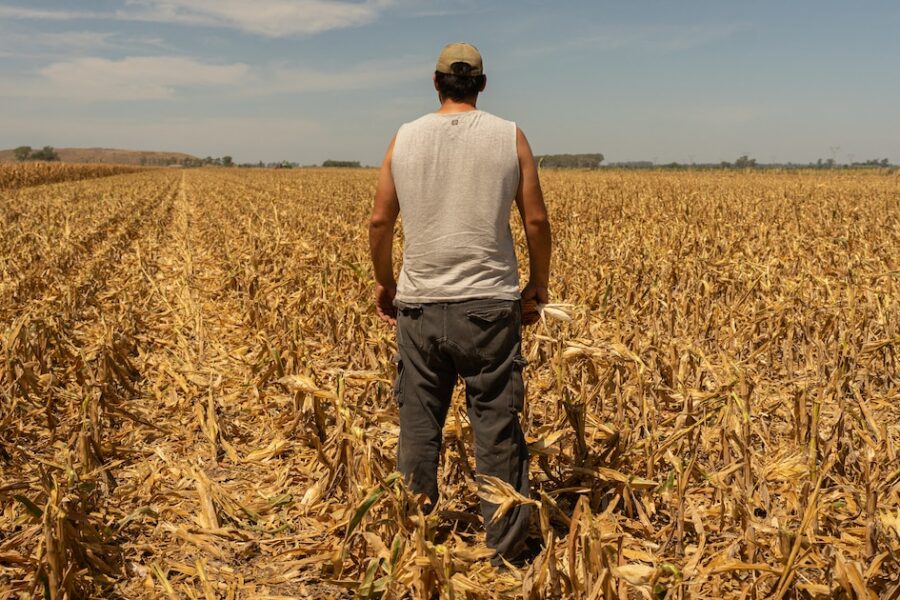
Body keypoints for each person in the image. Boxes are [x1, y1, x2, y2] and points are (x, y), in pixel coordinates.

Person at [368, 42, 552, 567]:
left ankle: (411, 539)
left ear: (434, 83)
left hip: (420, 304)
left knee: (419, 425)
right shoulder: (508, 135)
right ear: (483, 85)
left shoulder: (403, 139)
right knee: (496, 426)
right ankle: (507, 551)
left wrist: (386, 283)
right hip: (490, 308)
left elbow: (380, 222)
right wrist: (537, 284)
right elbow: (535, 222)